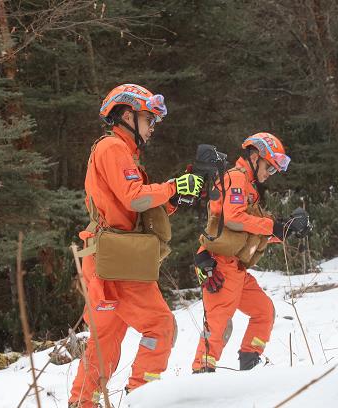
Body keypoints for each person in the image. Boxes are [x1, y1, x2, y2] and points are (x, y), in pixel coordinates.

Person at [69, 84, 204, 407]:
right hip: (118, 261)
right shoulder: (113, 148)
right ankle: (141, 398)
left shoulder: (121, 152)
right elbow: (135, 197)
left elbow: (134, 207)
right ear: (128, 115)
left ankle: (81, 403)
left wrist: (174, 198)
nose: (152, 127)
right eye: (148, 119)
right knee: (160, 326)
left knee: (103, 341)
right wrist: (173, 186)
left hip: (106, 260)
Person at [191, 132, 310, 373]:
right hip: (221, 265)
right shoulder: (236, 178)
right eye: (269, 167)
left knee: (263, 311)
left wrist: (287, 228)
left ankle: (250, 363)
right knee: (217, 327)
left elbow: (252, 230)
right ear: (255, 157)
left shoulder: (249, 188)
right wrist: (273, 226)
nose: (270, 174)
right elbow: (234, 219)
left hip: (237, 268)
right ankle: (201, 377)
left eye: (274, 170)